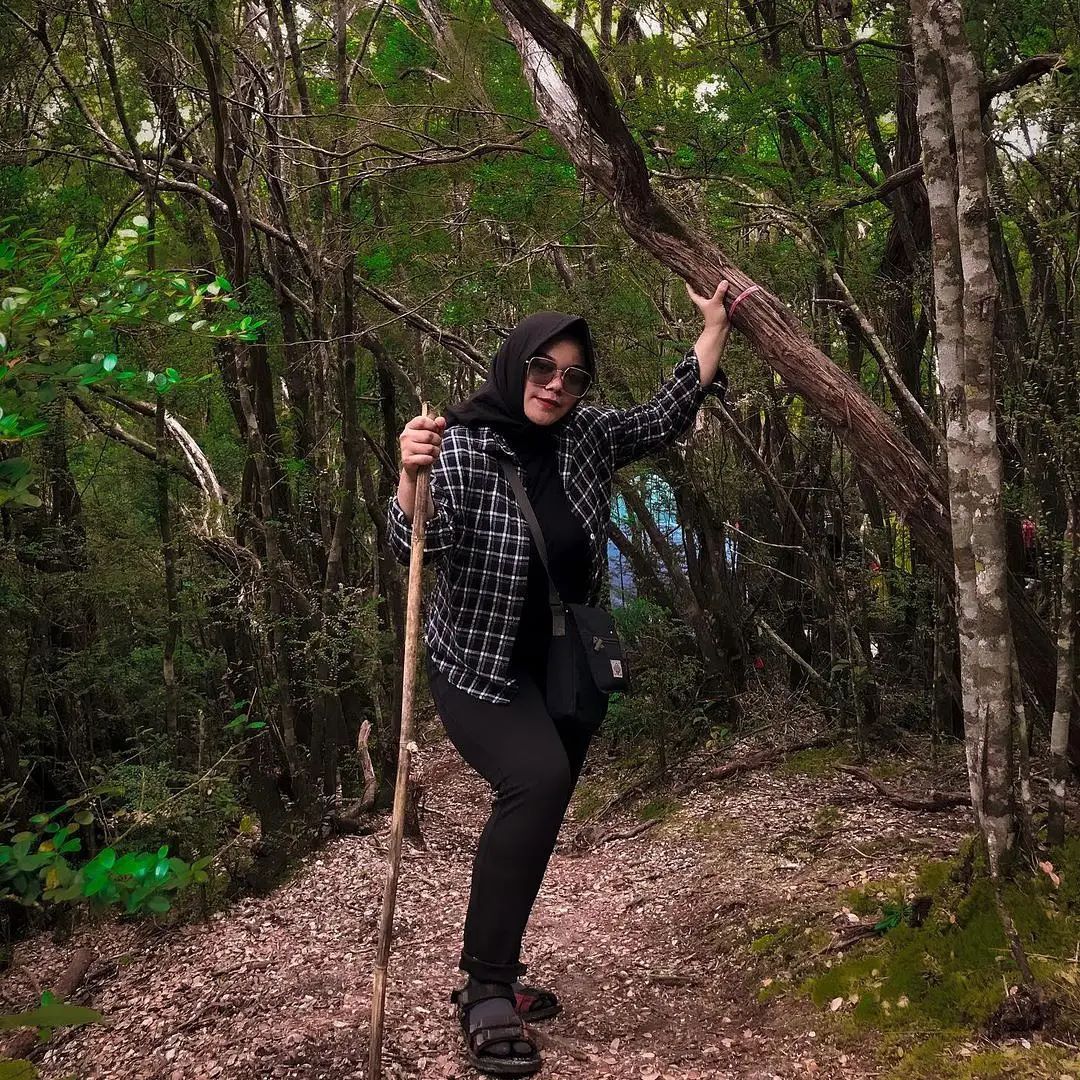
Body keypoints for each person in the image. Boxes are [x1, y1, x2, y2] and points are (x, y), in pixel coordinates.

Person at [387, 281, 732, 1076]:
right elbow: (422, 544)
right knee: (535, 783)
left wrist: (713, 328)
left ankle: (494, 971)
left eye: (575, 376)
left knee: (538, 816)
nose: (557, 384)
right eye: (544, 367)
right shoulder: (463, 447)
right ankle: (485, 991)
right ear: (516, 367)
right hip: (479, 668)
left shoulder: (589, 438)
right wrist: (411, 477)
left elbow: (667, 411)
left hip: (567, 667)